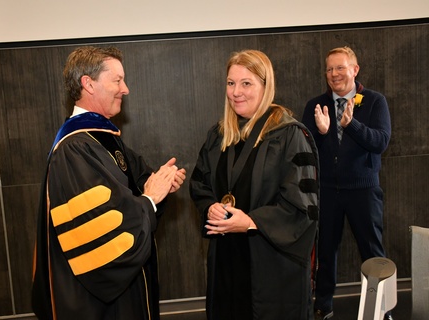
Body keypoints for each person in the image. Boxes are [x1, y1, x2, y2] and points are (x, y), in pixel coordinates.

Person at [31, 46, 186, 320]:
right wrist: (150, 199)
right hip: (98, 303)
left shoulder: (104, 137)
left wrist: (162, 183)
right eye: (117, 80)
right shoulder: (73, 150)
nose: (125, 89)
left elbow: (140, 182)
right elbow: (103, 227)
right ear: (88, 83)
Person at [190, 49, 319, 319]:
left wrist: (250, 222)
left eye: (246, 83)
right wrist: (210, 206)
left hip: (270, 261)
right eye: (231, 83)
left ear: (265, 85)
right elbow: (200, 182)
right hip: (227, 257)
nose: (236, 92)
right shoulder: (220, 135)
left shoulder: (289, 135)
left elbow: (302, 206)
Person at [301, 46, 392, 320]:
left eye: (340, 67)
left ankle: (383, 308)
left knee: (373, 254)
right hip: (327, 191)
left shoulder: (374, 101)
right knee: (326, 251)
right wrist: (321, 132)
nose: (334, 74)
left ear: (354, 69)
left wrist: (351, 124)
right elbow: (305, 151)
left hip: (364, 190)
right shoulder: (315, 106)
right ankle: (324, 305)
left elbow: (380, 142)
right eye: (329, 69)